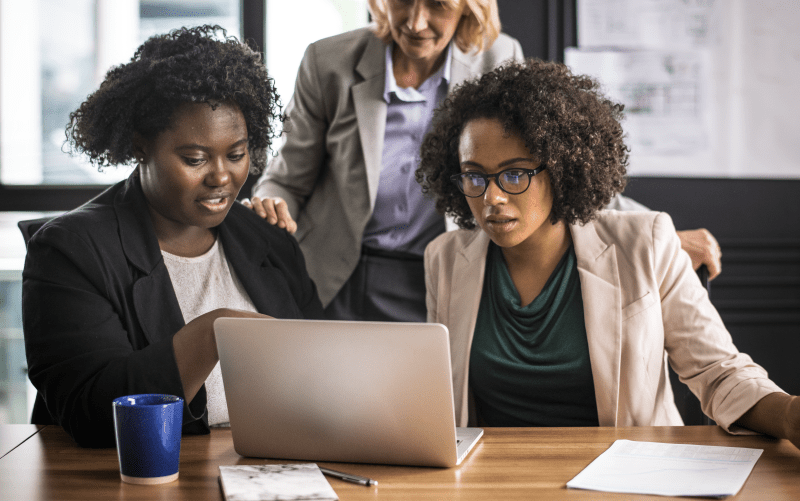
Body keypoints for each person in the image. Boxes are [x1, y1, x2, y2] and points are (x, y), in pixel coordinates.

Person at [245, 0, 721, 323]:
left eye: (438, 5)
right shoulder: (328, 60)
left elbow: (557, 166)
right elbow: (289, 174)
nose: (414, 22)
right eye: (402, 1)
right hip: (340, 272)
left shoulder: (498, 55)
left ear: (469, 8)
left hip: (438, 268)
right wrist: (267, 203)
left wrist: (655, 231)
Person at [416, 59, 799, 448]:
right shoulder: (444, 259)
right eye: (474, 176)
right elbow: (443, 404)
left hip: (626, 476)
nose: (491, 197)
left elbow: (717, 372)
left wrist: (788, 415)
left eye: (515, 174)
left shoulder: (645, 243)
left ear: (561, 168)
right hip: (497, 477)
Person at [22, 26, 324, 448]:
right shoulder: (71, 250)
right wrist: (213, 333)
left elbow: (323, 377)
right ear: (140, 146)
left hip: (269, 469)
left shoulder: (267, 239)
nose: (222, 176)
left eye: (236, 154)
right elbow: (90, 412)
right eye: (195, 158)